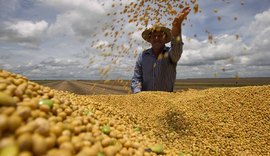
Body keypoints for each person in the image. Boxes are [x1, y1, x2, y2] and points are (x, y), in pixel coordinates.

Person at [131, 7, 191, 93]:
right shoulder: (143, 56)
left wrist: (177, 27)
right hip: (145, 101)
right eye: (154, 36)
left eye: (160, 36)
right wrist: (138, 93)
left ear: (165, 39)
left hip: (166, 101)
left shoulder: (170, 54)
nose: (156, 38)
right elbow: (137, 78)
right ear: (149, 39)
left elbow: (177, 49)